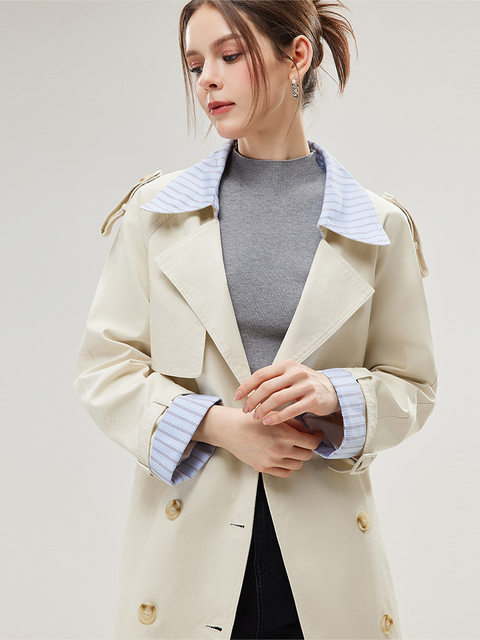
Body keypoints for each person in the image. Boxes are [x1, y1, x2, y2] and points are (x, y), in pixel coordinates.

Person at [73, 1, 438, 639]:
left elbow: (413, 386)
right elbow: (107, 368)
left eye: (229, 55)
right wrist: (220, 426)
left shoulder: (379, 226)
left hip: (326, 562)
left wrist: (332, 392)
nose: (207, 80)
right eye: (195, 65)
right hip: (187, 550)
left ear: (297, 56)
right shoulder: (157, 213)